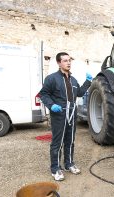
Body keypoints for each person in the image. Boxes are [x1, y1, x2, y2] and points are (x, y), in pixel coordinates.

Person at [39, 52, 93, 181]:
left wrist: (88, 82)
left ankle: (69, 164)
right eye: (64, 61)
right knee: (57, 142)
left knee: (70, 140)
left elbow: (79, 93)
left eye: (69, 60)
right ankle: (55, 168)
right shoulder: (52, 78)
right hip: (59, 114)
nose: (68, 63)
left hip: (72, 114)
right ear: (59, 63)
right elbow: (43, 94)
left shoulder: (73, 80)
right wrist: (51, 105)